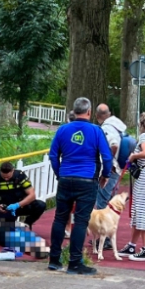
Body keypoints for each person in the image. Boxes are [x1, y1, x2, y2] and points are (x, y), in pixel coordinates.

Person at [47, 97, 113, 274]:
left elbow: (53, 156)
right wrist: (105, 175)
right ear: (89, 112)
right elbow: (107, 157)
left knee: (60, 218)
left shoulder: (62, 130)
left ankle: (54, 260)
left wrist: (59, 173)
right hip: (87, 180)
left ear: (73, 111)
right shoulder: (96, 131)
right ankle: (75, 263)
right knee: (81, 221)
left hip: (66, 178)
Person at [119, 112, 145, 261]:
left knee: (143, 216)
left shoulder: (144, 137)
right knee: (138, 215)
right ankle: (132, 245)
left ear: (141, 125)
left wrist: (133, 156)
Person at [0, 161, 46, 230]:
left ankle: (27, 223)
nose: (6, 179)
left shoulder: (20, 176)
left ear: (13, 171)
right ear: (0, 172)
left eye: (8, 177)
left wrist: (17, 205)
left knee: (40, 205)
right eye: (4, 177)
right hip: (8, 208)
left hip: (22, 205)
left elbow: (32, 195)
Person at [95, 104, 127, 211]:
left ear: (97, 115)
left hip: (111, 169)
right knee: (111, 201)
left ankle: (101, 226)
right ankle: (109, 226)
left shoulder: (106, 128)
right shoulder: (118, 125)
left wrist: (107, 163)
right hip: (118, 167)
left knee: (102, 202)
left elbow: (114, 144)